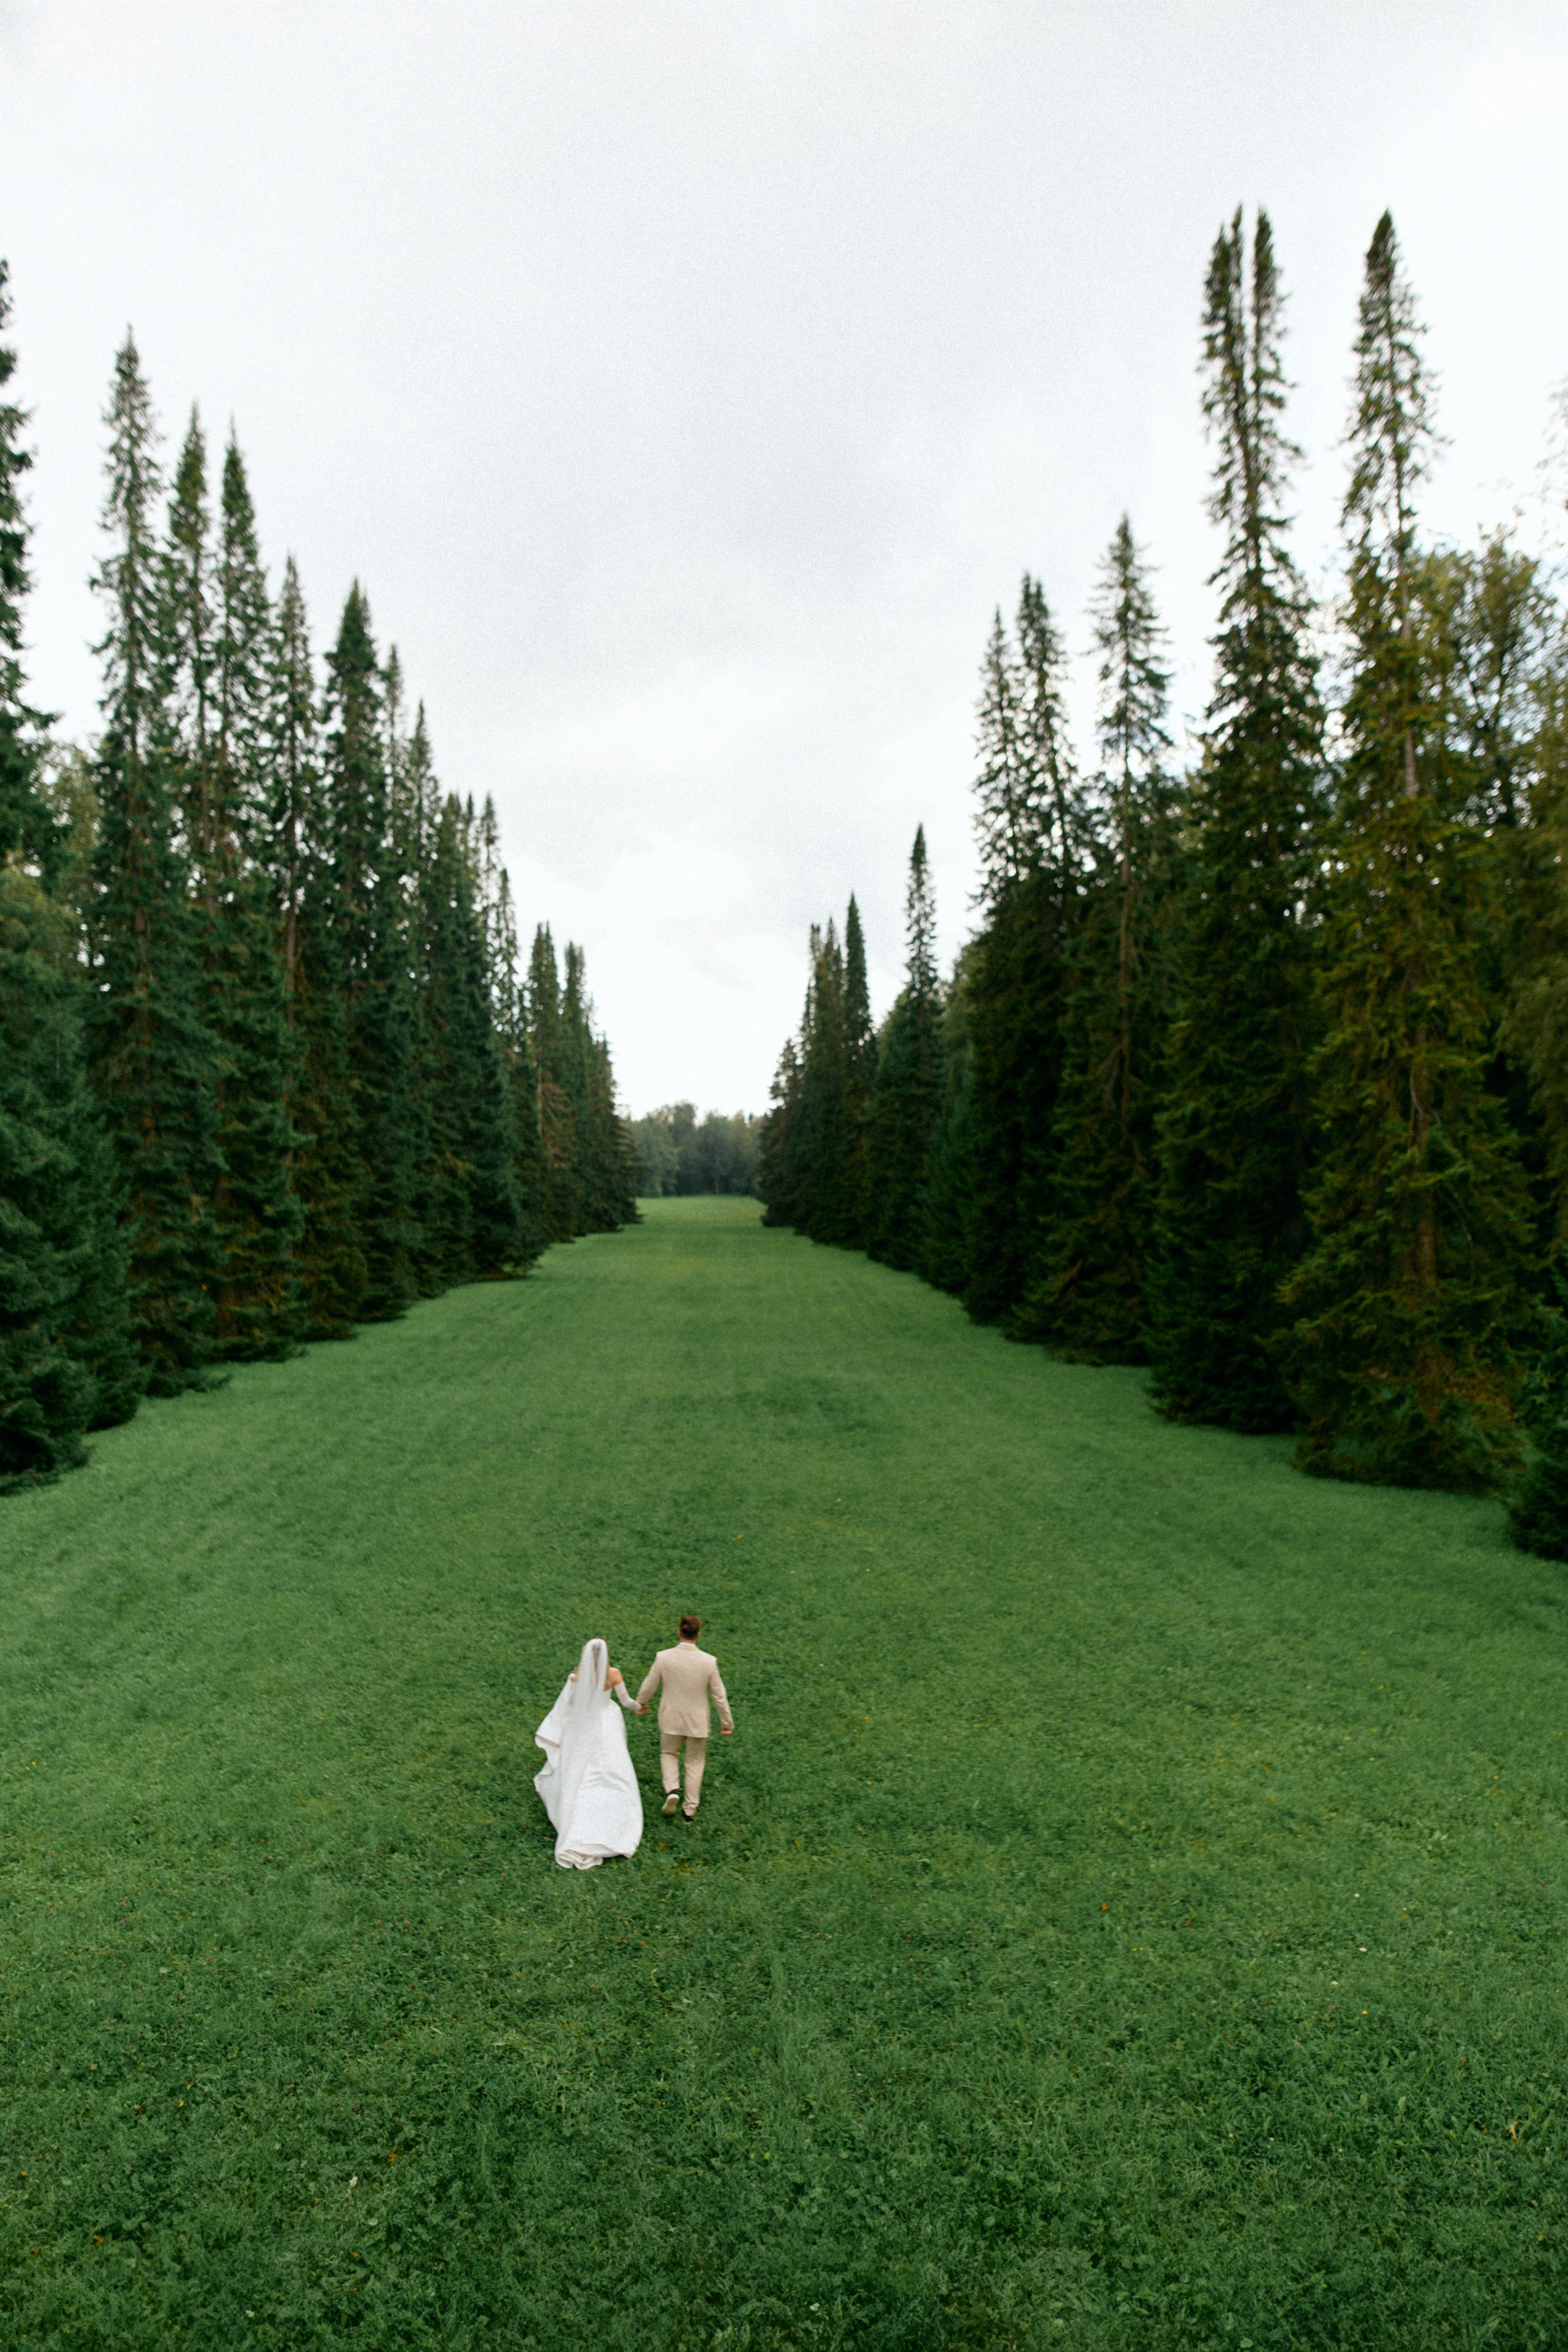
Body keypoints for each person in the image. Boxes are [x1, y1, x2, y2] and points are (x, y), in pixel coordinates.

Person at [533, 1636, 644, 1869]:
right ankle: (615, 1815)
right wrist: (639, 1707)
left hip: (582, 1726)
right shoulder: (613, 1674)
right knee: (612, 1768)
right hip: (607, 1724)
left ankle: (578, 1821)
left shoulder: (576, 1678)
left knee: (580, 1771)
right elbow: (626, 1701)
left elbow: (567, 1705)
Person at [635, 1613, 734, 1821]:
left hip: (671, 1718)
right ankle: (690, 1809)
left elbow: (649, 1684)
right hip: (698, 1721)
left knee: (669, 1753)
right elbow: (719, 1695)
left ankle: (672, 1789)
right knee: (695, 1762)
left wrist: (641, 1702)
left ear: (679, 1632)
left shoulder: (664, 1657)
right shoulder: (709, 1661)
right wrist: (726, 1723)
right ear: (698, 1635)